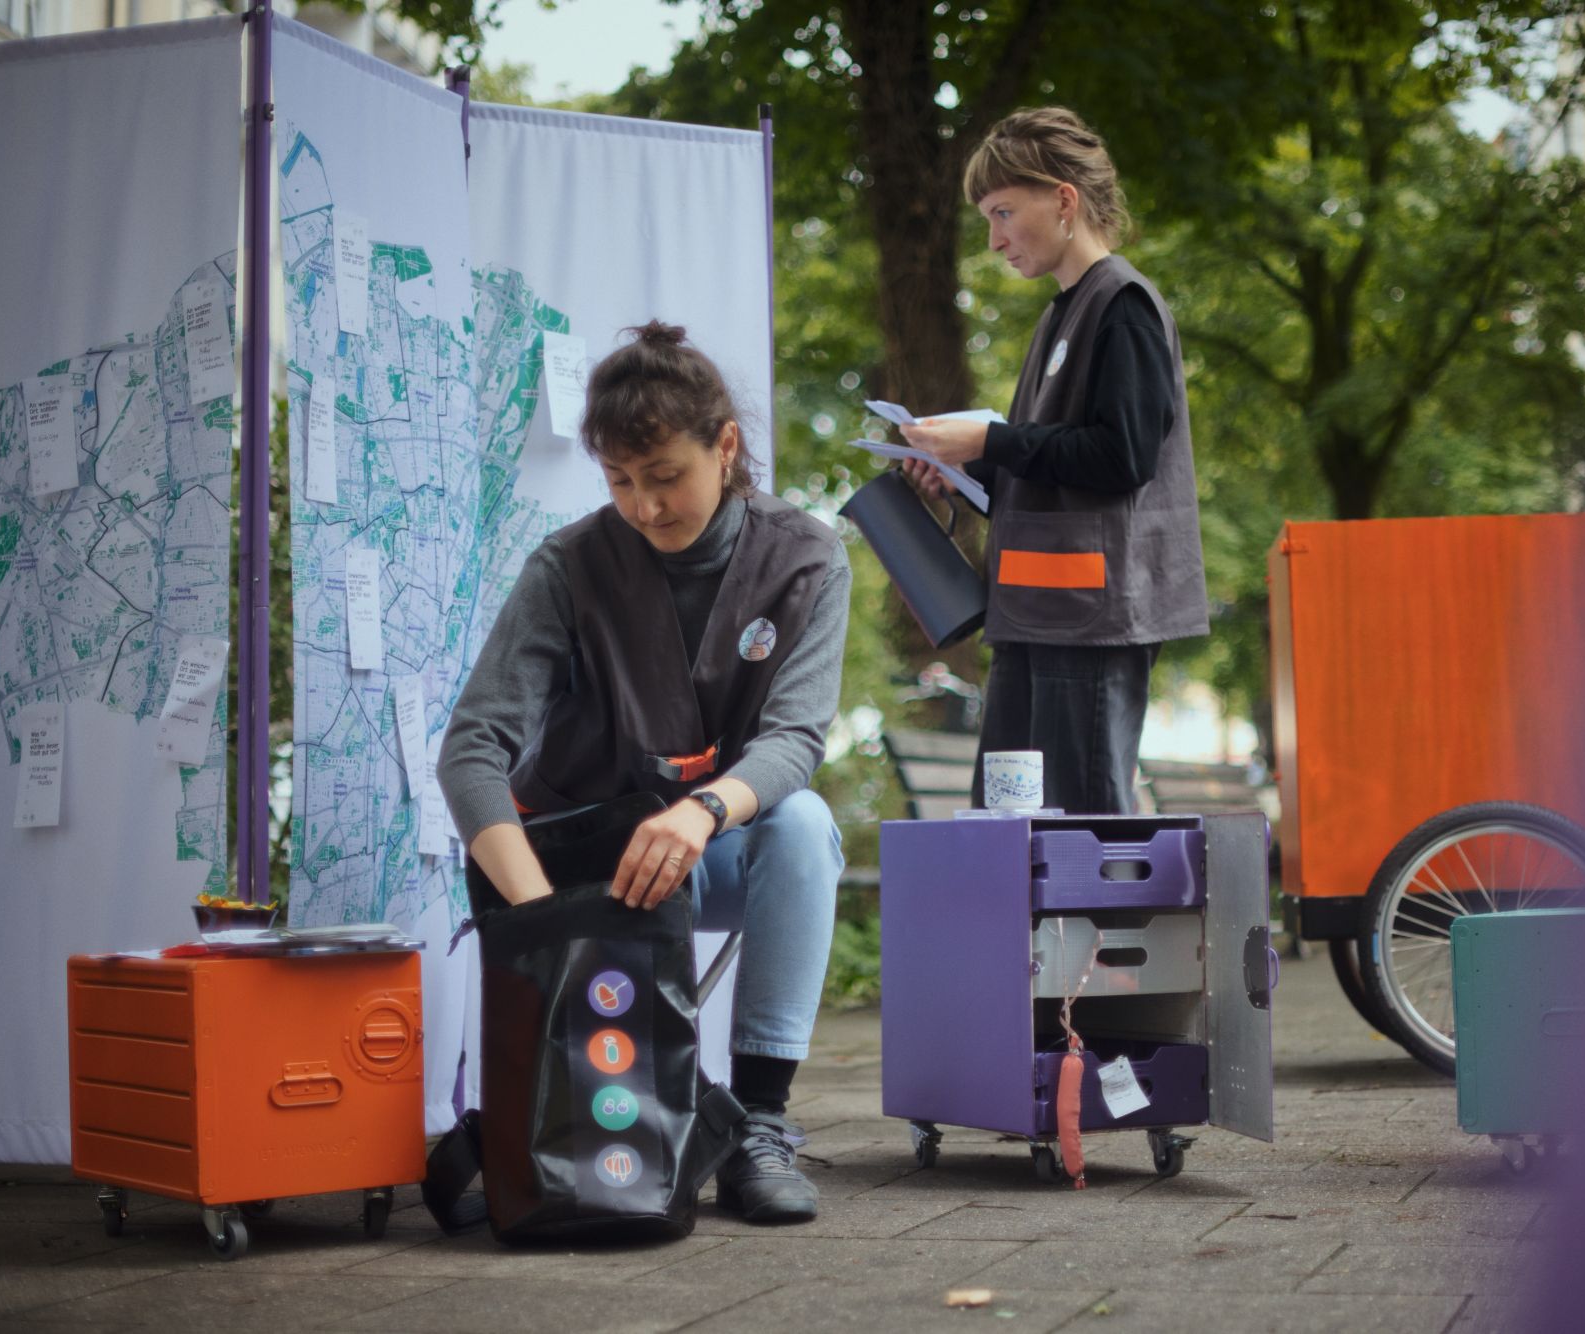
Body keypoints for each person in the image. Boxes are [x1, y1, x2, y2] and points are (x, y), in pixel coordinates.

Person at [438, 322, 850, 1224]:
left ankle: (760, 1126)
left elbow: (793, 742)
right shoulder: (568, 566)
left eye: (665, 477)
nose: (645, 508)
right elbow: (471, 749)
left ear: (726, 447)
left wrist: (701, 811)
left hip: (712, 847)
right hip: (585, 872)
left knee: (805, 825)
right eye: (620, 482)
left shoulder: (809, 559)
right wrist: (541, 915)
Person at [901, 107, 1207, 814]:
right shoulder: (1059, 315)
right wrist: (959, 469)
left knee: (1082, 834)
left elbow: (1121, 456)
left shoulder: (1122, 305)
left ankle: (1102, 935)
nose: (995, 238)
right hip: (1033, 616)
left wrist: (989, 442)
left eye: (1004, 211)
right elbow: (1051, 465)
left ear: (1064, 200)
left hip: (1092, 622)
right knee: (1010, 829)